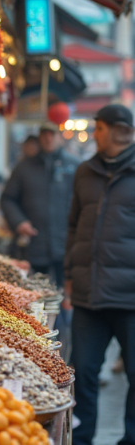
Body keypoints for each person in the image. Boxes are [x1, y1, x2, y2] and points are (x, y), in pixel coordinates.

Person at [65, 104, 135, 445]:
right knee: (83, 374)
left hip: (130, 297)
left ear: (118, 130)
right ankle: (81, 439)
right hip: (88, 295)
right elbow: (74, 226)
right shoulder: (85, 172)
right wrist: (69, 274)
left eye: (100, 129)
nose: (95, 135)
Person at [0, 121, 80, 287]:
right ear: (39, 138)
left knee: (66, 296)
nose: (48, 138)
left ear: (60, 137)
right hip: (34, 243)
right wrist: (18, 221)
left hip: (67, 244)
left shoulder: (75, 165)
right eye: (44, 134)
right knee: (34, 292)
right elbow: (7, 198)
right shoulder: (24, 167)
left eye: (52, 134)